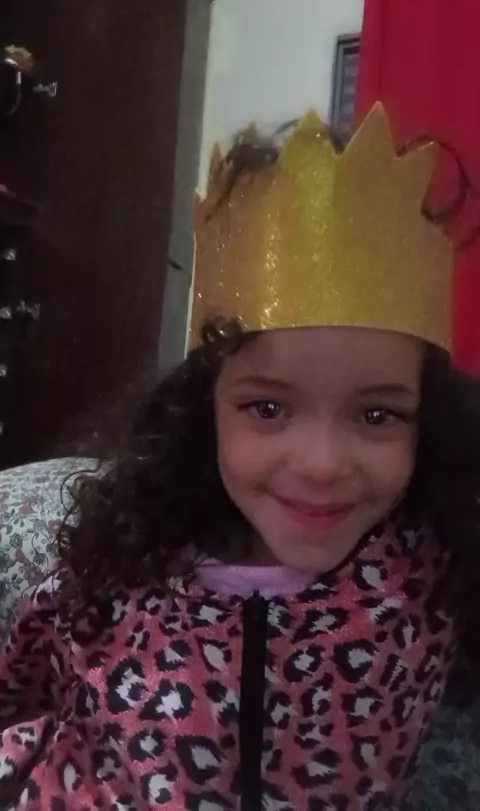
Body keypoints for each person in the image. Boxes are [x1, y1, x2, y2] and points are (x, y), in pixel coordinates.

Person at [1, 104, 480, 811]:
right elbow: (27, 703)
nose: (321, 463)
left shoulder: (434, 578)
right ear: (205, 412)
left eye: (377, 415)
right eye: (267, 408)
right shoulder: (112, 575)